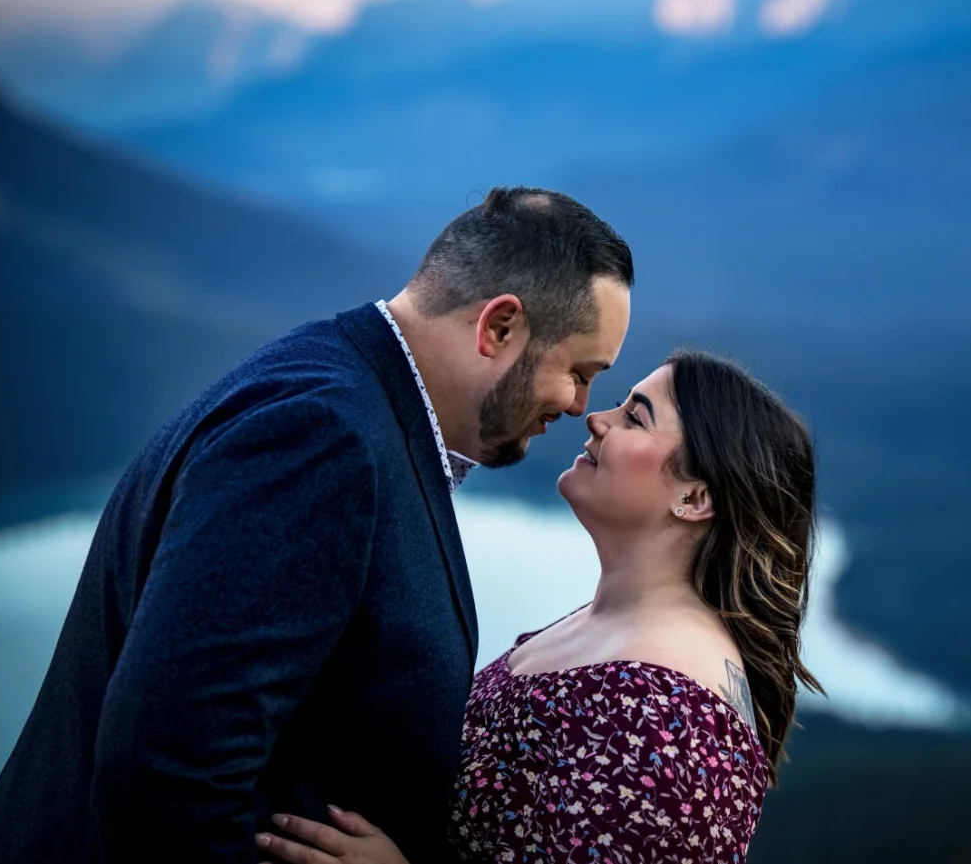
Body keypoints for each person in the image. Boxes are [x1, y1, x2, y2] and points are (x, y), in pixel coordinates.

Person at [0, 186, 634, 863]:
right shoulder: (325, 436)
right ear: (498, 327)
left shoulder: (352, 394)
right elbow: (169, 761)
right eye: (580, 371)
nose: (582, 406)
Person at [250, 351, 822, 864]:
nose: (597, 419)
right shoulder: (600, 629)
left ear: (694, 498)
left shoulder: (671, 718)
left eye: (635, 416)